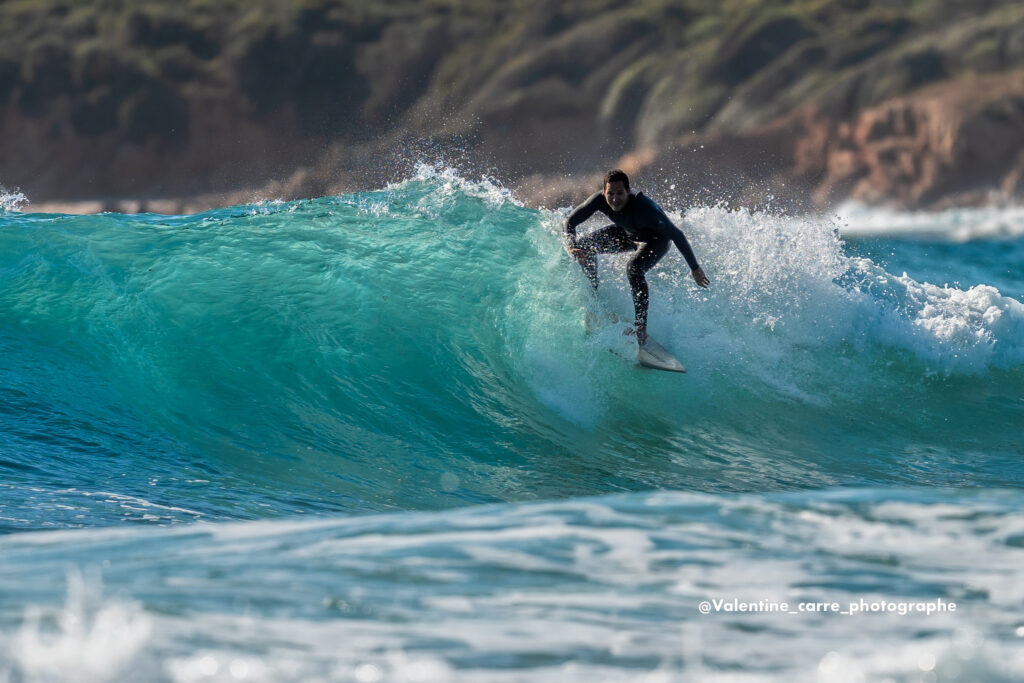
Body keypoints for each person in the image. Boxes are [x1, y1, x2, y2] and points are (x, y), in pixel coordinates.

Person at [564, 169, 709, 346]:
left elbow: (677, 235)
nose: (615, 199)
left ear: (628, 191)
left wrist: (695, 268)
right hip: (628, 234)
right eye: (610, 193)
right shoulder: (600, 200)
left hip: (655, 241)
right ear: (604, 192)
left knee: (633, 269)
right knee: (584, 247)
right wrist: (572, 247)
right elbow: (570, 221)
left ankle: (641, 328)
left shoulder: (645, 209)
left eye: (620, 193)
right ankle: (594, 301)